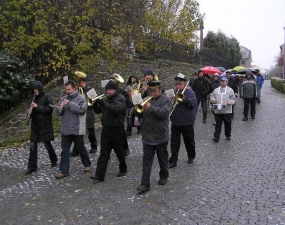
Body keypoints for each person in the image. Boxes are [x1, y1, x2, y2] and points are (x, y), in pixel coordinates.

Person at [135, 80, 172, 193]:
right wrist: (137, 108)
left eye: (154, 91)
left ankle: (164, 175)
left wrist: (150, 107)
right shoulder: (145, 98)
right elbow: (138, 114)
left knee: (163, 159)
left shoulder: (166, 100)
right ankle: (145, 184)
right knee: (146, 161)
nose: (152, 93)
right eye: (150, 91)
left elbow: (164, 114)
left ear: (160, 89)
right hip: (147, 136)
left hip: (160, 136)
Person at [90, 80, 127, 182]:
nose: (108, 91)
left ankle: (123, 168)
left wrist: (102, 103)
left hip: (117, 129)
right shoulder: (106, 99)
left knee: (119, 151)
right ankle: (99, 175)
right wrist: (94, 103)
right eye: (107, 89)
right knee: (104, 153)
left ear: (115, 90)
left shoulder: (121, 99)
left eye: (110, 89)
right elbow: (98, 111)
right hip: (106, 129)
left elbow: (115, 110)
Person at [55, 80, 91, 179]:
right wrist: (60, 107)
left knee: (81, 148)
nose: (67, 91)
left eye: (69, 89)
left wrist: (70, 103)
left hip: (76, 129)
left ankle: (87, 164)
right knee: (64, 151)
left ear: (74, 89)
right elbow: (58, 113)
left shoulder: (80, 98)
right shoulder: (63, 98)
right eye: (66, 89)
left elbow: (81, 110)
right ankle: (64, 171)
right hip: (66, 129)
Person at [24, 81, 58, 175]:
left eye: (36, 89)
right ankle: (32, 167)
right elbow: (33, 112)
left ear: (40, 88)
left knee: (47, 145)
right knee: (32, 146)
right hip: (35, 126)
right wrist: (29, 112)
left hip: (44, 125)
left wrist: (37, 107)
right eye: (34, 89)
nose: (35, 91)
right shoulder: (33, 98)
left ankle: (54, 160)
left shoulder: (47, 97)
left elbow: (49, 110)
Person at [168, 73, 197, 168]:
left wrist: (184, 99)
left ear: (184, 84)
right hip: (175, 121)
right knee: (174, 142)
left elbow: (193, 104)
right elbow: (168, 105)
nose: (178, 86)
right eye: (176, 84)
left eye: (180, 84)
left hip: (187, 121)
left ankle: (191, 156)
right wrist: (170, 100)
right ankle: (174, 160)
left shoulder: (189, 92)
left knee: (189, 141)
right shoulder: (173, 91)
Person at [70, 77, 98, 157]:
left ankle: (94, 146)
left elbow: (94, 101)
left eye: (81, 82)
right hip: (80, 113)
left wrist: (84, 97)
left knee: (90, 131)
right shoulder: (77, 91)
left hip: (89, 113)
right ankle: (76, 149)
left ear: (85, 82)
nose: (80, 84)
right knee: (79, 132)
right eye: (79, 82)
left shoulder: (90, 90)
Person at [108, 74, 130, 156]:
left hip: (120, 113)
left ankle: (125, 148)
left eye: (112, 80)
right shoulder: (108, 91)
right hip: (110, 114)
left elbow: (126, 97)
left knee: (121, 133)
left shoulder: (120, 90)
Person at [210, 77, 236, 142]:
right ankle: (216, 137)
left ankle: (228, 135)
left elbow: (233, 99)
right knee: (218, 124)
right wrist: (213, 100)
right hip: (218, 110)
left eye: (224, 81)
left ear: (227, 82)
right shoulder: (216, 90)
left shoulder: (230, 90)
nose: (222, 82)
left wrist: (231, 102)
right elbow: (211, 96)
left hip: (227, 110)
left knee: (227, 124)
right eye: (221, 81)